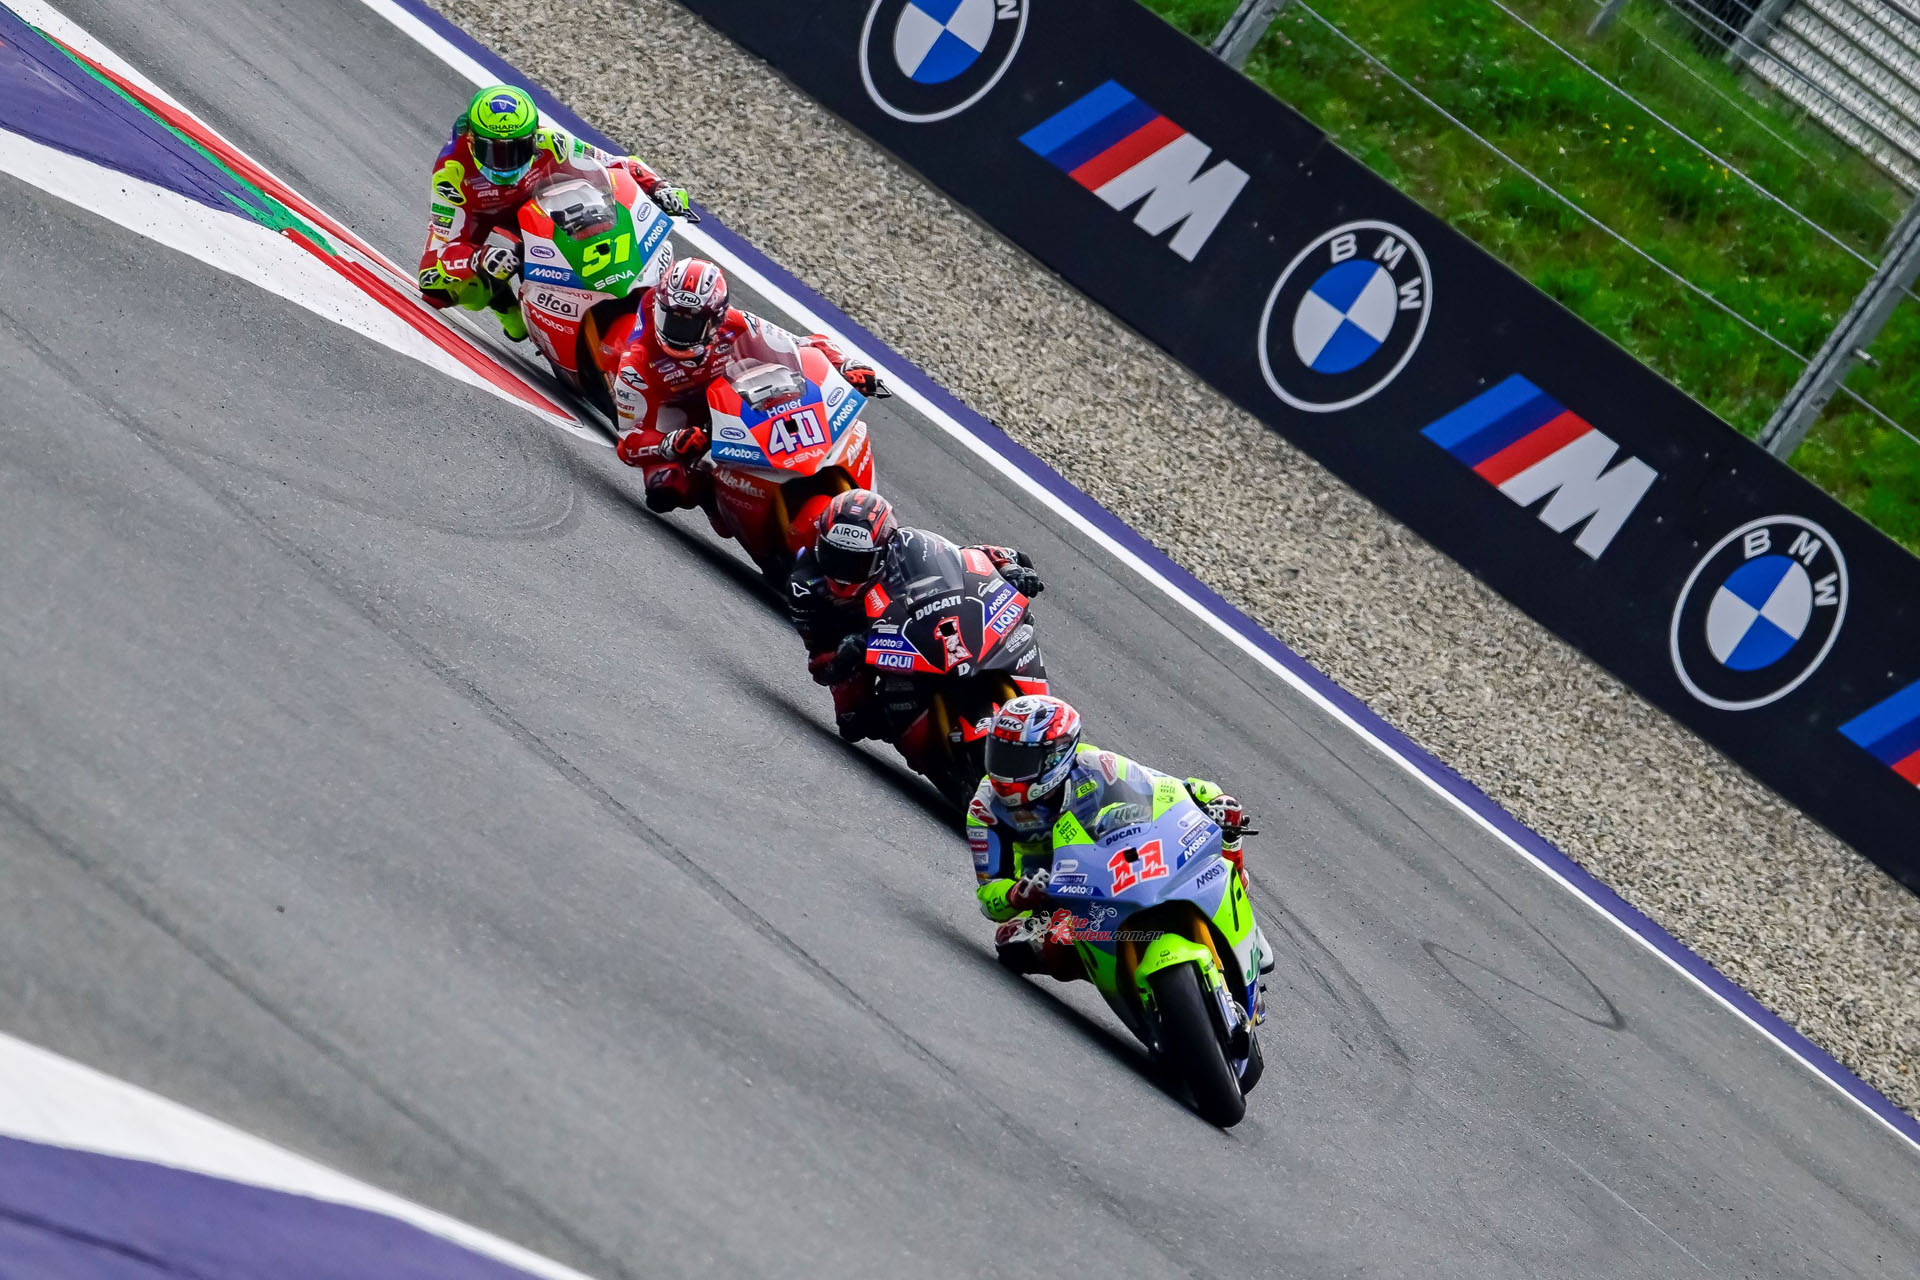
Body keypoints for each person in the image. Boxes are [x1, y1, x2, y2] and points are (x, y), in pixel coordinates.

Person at [968, 694, 1266, 983]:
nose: (1004, 772)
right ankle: (1119, 973)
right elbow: (988, 894)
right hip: (1055, 893)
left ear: (1055, 757)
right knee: (1017, 946)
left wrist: (1211, 798)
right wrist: (1017, 894)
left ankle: (1236, 892)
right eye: (999, 755)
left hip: (1114, 859)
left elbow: (1167, 787)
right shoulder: (985, 808)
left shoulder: (1094, 764)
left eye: (1017, 762)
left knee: (1221, 823)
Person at [789, 489, 1045, 765]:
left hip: (912, 625)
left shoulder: (909, 544)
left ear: (883, 550)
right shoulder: (804, 586)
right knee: (853, 721)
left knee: (1011, 622)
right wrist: (843, 656)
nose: (843, 572)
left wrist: (1009, 569)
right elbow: (818, 661)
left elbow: (969, 556)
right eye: (834, 557)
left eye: (857, 562)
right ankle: (906, 726)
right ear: (820, 544)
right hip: (858, 642)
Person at [416, 84, 691, 341]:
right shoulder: (451, 173)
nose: (506, 163)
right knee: (434, 286)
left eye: (517, 149)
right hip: (481, 218)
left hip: (543, 211)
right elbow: (444, 249)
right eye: (494, 152)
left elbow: (614, 163)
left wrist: (659, 186)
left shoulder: (553, 143)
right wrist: (479, 258)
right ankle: (503, 303)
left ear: (534, 137)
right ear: (472, 140)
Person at [611, 258, 881, 516]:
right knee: (665, 488)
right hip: (680, 419)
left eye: (689, 323)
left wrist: (846, 364)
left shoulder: (736, 323)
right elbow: (628, 443)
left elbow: (802, 344)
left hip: (740, 400)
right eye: (671, 317)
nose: (677, 330)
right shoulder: (636, 363)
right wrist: (667, 444)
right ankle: (714, 497)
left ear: (714, 320)